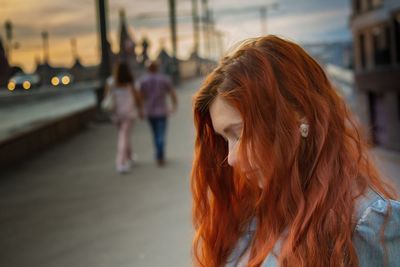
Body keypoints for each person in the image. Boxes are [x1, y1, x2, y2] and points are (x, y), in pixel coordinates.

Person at [191, 35, 400, 267]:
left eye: (239, 133)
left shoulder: (367, 222)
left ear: (299, 114)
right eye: (225, 139)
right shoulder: (254, 205)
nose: (231, 158)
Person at [105, 61, 142, 174]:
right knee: (124, 137)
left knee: (123, 135)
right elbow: (137, 99)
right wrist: (141, 110)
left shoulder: (111, 82)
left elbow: (106, 97)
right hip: (128, 114)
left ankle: (130, 156)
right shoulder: (131, 82)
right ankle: (120, 163)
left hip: (116, 114)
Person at [138, 61, 178, 166]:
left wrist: (141, 110)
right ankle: (160, 156)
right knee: (161, 135)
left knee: (155, 134)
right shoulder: (164, 79)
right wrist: (174, 106)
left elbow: (140, 97)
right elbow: (172, 93)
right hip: (161, 111)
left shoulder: (143, 81)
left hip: (149, 112)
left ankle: (158, 155)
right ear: (157, 68)